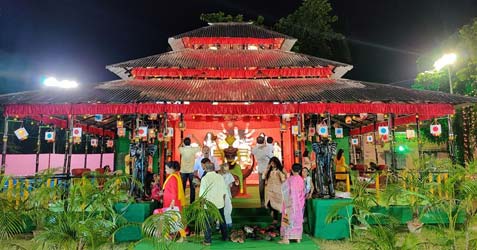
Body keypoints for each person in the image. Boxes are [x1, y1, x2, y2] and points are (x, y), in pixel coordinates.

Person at [199, 162, 228, 246]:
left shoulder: (204, 179)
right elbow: (224, 192)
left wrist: (201, 205)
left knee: (207, 221)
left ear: (205, 168)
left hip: (208, 204)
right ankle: (225, 236)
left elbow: (202, 194)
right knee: (222, 220)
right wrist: (223, 202)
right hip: (219, 203)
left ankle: (207, 240)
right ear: (214, 168)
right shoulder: (220, 177)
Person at [279, 163, 306, 244]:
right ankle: (297, 238)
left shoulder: (290, 179)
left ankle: (286, 238)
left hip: (289, 203)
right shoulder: (301, 179)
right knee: (297, 219)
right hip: (298, 204)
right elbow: (303, 192)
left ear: (292, 169)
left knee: (287, 218)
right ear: (300, 170)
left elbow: (284, 190)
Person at [263, 156, 286, 225]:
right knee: (269, 203)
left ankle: (284, 222)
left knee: (279, 204)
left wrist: (280, 173)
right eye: (271, 163)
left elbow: (284, 178)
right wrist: (267, 168)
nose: (272, 165)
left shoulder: (281, 169)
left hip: (278, 190)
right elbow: (263, 177)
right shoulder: (269, 170)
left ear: (277, 163)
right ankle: (275, 219)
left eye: (274, 163)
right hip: (269, 189)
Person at [179, 136, 201, 204]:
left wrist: (181, 141)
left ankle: (181, 201)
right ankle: (192, 202)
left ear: (184, 143)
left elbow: (178, 147)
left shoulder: (182, 149)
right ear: (190, 143)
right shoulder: (193, 149)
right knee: (192, 187)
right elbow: (200, 145)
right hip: (191, 171)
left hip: (183, 171)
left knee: (182, 187)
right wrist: (195, 137)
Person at [252, 136, 273, 207]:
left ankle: (262, 202)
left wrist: (260, 147)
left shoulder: (255, 148)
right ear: (264, 141)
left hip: (261, 169)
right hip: (268, 169)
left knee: (261, 186)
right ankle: (270, 201)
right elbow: (271, 157)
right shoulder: (267, 148)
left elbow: (252, 151)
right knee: (270, 185)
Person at [218, 163, 236, 228]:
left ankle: (228, 223)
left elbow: (231, 185)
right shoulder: (218, 175)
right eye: (224, 170)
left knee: (228, 208)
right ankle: (219, 224)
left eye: (227, 169)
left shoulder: (229, 175)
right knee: (220, 208)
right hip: (219, 193)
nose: (226, 171)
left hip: (227, 193)